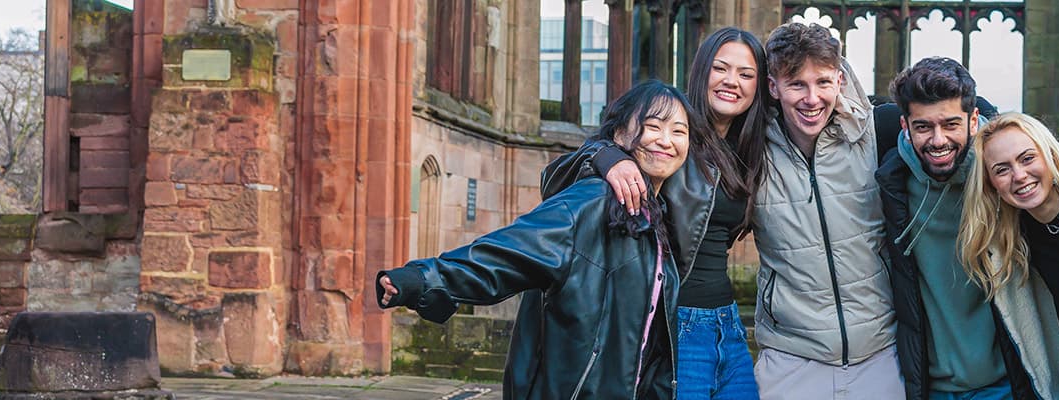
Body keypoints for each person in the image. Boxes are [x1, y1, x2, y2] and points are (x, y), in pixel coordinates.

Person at [374, 81, 719, 399]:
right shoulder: (592, 201)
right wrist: (421, 279)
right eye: (653, 126)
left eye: (679, 131)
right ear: (619, 133)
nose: (666, 140)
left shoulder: (656, 217)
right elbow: (510, 251)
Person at [549, 27, 771, 400]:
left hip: (728, 326)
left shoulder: (750, 145)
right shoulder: (671, 135)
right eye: (720, 68)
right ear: (702, 71)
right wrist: (609, 159)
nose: (731, 81)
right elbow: (565, 169)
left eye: (746, 74)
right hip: (678, 326)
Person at [876, 58, 1059, 400]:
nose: (938, 140)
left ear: (974, 120)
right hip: (928, 386)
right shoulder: (890, 183)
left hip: (1007, 383)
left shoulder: (1006, 177)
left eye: (951, 124)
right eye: (923, 127)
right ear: (905, 125)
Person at [746, 23, 900, 399]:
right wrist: (605, 157)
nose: (812, 98)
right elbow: (664, 137)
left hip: (879, 355)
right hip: (791, 359)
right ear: (773, 86)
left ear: (840, 79)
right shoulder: (749, 147)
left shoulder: (879, 129)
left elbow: (967, 128)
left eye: (823, 82)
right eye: (797, 84)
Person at [959, 112, 1059, 400]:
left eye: (1027, 158)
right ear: (992, 185)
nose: (1019, 176)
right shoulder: (1012, 240)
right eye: (1002, 169)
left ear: (1049, 154)